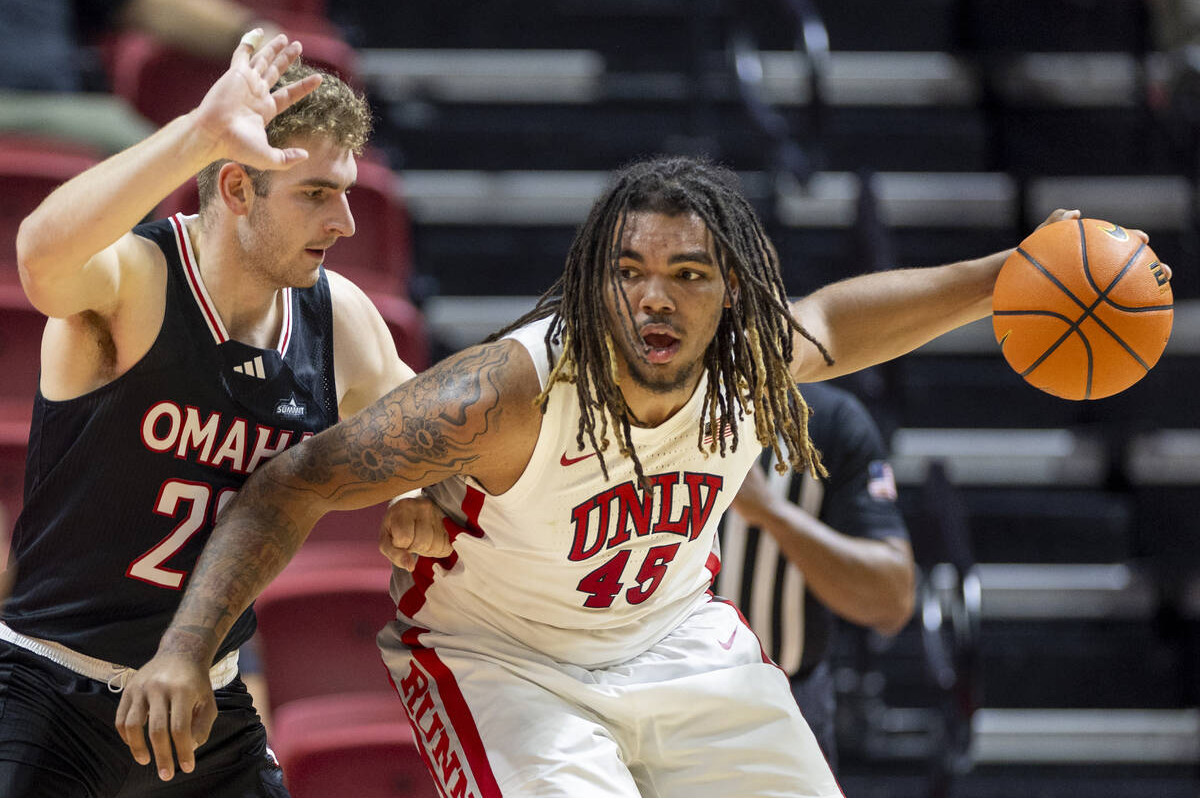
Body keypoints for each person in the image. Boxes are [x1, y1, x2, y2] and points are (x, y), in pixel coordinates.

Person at [114, 151, 1104, 795]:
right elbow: (294, 479)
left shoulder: (747, 358)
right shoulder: (512, 393)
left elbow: (841, 321)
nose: (654, 300)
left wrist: (1005, 272)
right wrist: (184, 646)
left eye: (688, 274)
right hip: (506, 659)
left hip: (677, 640)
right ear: (594, 279)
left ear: (732, 294)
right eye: (629, 271)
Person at [2, 32, 432, 796]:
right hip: (51, 685)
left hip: (205, 697)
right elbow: (38, 256)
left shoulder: (340, 321)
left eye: (344, 190)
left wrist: (411, 492)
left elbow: (436, 434)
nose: (346, 222)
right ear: (236, 190)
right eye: (314, 194)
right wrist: (198, 131)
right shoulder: (138, 281)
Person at [718, 380, 915, 772]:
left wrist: (772, 513)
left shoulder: (829, 421)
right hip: (647, 701)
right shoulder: (628, 408)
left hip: (786, 706)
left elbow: (893, 599)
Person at [0, 0, 280, 155]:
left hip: (58, 105)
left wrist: (250, 34)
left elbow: (143, 5)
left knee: (160, 153)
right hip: (26, 106)